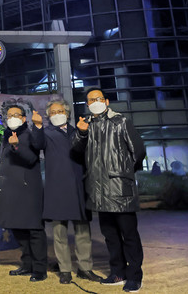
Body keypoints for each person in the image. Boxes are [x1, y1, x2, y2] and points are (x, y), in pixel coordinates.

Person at [73, 88, 146, 293]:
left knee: (129, 235)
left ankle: (135, 276)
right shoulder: (86, 125)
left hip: (119, 188)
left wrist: (123, 173)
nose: (94, 102)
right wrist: (81, 133)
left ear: (106, 101)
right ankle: (117, 273)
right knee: (110, 235)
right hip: (98, 190)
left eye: (98, 98)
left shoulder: (121, 121)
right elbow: (76, 152)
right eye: (91, 100)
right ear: (87, 104)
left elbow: (138, 151)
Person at [30, 98, 103, 284]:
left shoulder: (78, 130)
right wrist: (37, 126)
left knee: (83, 232)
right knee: (59, 233)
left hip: (79, 186)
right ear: (48, 116)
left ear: (67, 113)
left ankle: (85, 268)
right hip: (56, 188)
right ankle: (65, 270)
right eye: (53, 112)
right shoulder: (46, 133)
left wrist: (83, 132)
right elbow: (37, 144)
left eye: (60, 111)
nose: (56, 115)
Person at [0, 102, 47, 282]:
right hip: (11, 190)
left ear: (24, 118)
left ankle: (40, 269)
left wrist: (17, 147)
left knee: (34, 230)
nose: (12, 119)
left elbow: (31, 158)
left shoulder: (29, 134)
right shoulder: (6, 135)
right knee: (18, 229)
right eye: (9, 116)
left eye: (16, 115)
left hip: (28, 190)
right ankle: (27, 264)